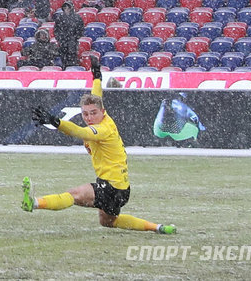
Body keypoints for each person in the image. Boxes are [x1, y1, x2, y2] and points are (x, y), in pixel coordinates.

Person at [25, 57, 176, 235]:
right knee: (108, 222)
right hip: (121, 189)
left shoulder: (103, 129)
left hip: (112, 187)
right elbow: (96, 96)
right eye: (85, 114)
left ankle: (33, 202)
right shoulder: (102, 116)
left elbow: (81, 133)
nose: (89, 118)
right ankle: (158, 228)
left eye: (93, 113)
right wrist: (97, 77)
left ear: (102, 112)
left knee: (74, 194)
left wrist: (57, 122)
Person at [53, 2, 84, 68]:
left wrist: (74, 37)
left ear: (71, 8)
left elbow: (81, 29)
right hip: (63, 41)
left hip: (72, 41)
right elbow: (56, 30)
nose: (66, 9)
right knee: (63, 58)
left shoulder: (77, 17)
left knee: (72, 57)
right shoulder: (60, 18)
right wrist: (59, 38)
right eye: (65, 8)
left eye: (68, 8)